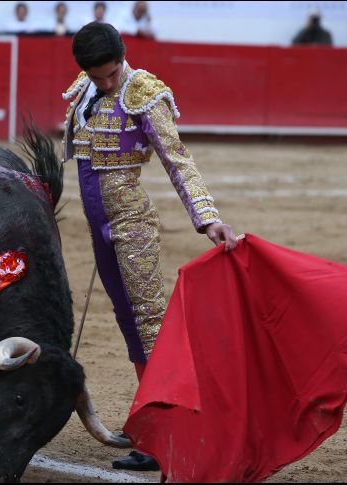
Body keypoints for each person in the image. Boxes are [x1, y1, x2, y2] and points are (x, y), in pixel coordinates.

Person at [61, 22, 239, 471]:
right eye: (97, 75)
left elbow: (177, 158)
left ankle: (167, 433)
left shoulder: (141, 90)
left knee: (149, 323)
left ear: (123, 56)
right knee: (129, 321)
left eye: (111, 71)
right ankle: (150, 423)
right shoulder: (84, 90)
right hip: (97, 225)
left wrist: (208, 217)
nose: (106, 82)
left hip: (130, 223)